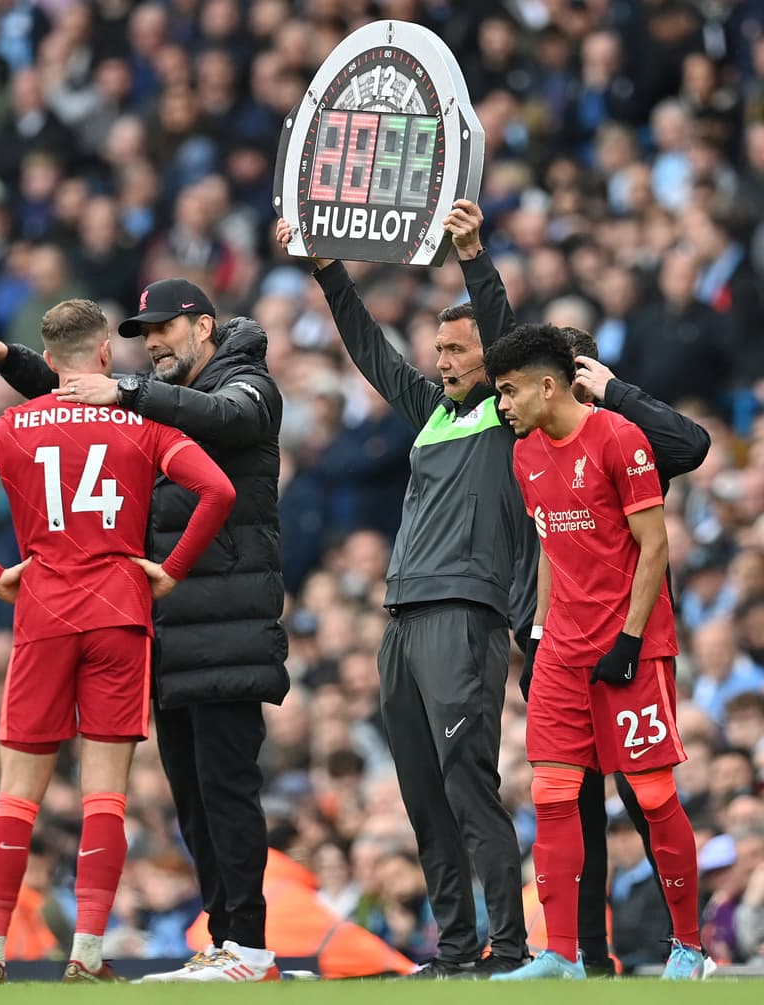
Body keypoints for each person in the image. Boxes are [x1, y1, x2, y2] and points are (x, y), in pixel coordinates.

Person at [0, 278, 289, 984]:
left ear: (205, 325)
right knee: (185, 794)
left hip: (214, 625)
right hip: (147, 620)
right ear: (108, 351)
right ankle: (203, 942)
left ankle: (248, 948)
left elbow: (201, 416)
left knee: (221, 787)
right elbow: (79, 390)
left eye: (164, 329)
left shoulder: (245, 385)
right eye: (140, 337)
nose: (153, 344)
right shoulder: (145, 415)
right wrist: (12, 360)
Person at [452, 203, 711, 973]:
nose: (499, 405)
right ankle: (560, 952)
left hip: (630, 644)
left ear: (545, 384)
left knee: (655, 799)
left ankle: (689, 945)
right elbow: (550, 551)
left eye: (507, 392)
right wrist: (542, 640)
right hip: (561, 650)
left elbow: (654, 545)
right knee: (554, 796)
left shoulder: (621, 436)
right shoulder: (526, 452)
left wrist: (630, 640)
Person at [276, 212, 530, 976]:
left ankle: (509, 946)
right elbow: (369, 352)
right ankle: (455, 947)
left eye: (457, 349)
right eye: (439, 350)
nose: (442, 360)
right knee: (421, 790)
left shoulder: (503, 413)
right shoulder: (430, 415)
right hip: (402, 615)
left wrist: (473, 257)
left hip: (463, 609)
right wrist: (327, 271)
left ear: (493, 361)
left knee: (468, 783)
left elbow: (505, 331)